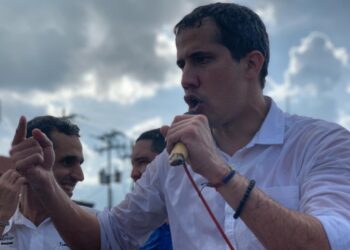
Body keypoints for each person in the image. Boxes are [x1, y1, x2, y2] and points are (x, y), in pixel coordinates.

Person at [10, 2, 350, 249]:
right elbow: (107, 238)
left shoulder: (321, 143)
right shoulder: (170, 164)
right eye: (181, 64)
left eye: (202, 59)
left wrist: (219, 171)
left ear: (251, 63)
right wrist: (44, 183)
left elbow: (328, 242)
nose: (186, 79)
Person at [1, 115, 89, 249]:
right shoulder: (4, 217)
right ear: (29, 159)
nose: (80, 176)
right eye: (67, 162)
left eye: (80, 164)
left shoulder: (96, 226)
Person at [131, 129, 173, 250]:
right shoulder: (136, 233)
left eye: (142, 162)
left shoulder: (206, 221)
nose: (133, 174)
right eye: (133, 164)